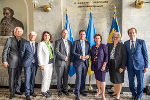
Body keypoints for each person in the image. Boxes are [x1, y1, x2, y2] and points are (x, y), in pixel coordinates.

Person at [2, 27, 26, 99]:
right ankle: (12, 92)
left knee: (19, 77)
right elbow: (5, 51)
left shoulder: (24, 41)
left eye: (20, 31)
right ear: (15, 32)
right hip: (11, 62)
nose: (19, 33)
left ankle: (17, 90)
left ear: (22, 33)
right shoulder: (10, 39)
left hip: (20, 62)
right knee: (12, 78)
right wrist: (4, 60)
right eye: (17, 31)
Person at [124, 28, 148, 100]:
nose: (132, 34)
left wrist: (146, 66)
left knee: (140, 82)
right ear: (128, 34)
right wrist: (125, 65)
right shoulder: (126, 43)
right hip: (130, 66)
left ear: (136, 33)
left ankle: (139, 96)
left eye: (133, 32)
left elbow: (145, 55)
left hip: (140, 66)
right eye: (130, 33)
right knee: (131, 82)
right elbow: (126, 55)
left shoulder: (141, 42)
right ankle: (133, 94)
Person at [107, 32, 126, 100]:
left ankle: (118, 94)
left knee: (119, 79)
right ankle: (115, 91)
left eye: (117, 37)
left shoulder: (122, 45)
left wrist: (122, 67)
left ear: (119, 38)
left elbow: (124, 57)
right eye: (114, 37)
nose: (115, 38)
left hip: (119, 65)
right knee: (113, 79)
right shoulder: (110, 45)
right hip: (111, 64)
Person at [72, 30, 90, 100]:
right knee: (78, 78)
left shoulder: (87, 43)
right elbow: (73, 52)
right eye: (81, 34)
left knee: (83, 77)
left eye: (83, 34)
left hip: (85, 63)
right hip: (78, 63)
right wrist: (80, 56)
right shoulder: (75, 42)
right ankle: (77, 93)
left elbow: (89, 52)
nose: (82, 35)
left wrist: (88, 55)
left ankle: (82, 90)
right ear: (79, 35)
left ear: (85, 35)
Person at [20, 31, 38, 100]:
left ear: (35, 37)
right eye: (31, 35)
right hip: (27, 64)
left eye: (34, 35)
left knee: (33, 78)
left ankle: (31, 91)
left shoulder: (37, 44)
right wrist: (24, 62)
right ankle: (27, 93)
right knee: (27, 78)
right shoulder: (25, 44)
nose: (32, 37)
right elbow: (21, 53)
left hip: (35, 64)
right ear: (29, 36)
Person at [54, 29, 73, 96]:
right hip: (60, 62)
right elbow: (56, 51)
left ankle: (65, 89)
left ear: (68, 34)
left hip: (67, 63)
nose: (65, 34)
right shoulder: (58, 41)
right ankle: (59, 90)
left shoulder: (70, 42)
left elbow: (71, 53)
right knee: (59, 77)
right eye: (64, 33)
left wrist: (71, 61)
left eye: (66, 33)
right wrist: (64, 57)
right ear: (61, 34)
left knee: (65, 77)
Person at [91, 34, 108, 100]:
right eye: (96, 38)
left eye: (98, 38)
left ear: (100, 39)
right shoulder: (93, 47)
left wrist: (104, 65)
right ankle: (99, 91)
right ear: (94, 39)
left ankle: (103, 95)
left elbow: (106, 56)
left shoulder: (103, 46)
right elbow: (91, 56)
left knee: (102, 80)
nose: (97, 39)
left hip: (102, 65)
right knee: (97, 79)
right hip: (95, 65)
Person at [37, 31, 54, 98]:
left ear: (50, 37)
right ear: (43, 37)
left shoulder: (50, 44)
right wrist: (41, 64)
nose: (47, 37)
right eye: (45, 35)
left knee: (49, 78)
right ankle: (43, 91)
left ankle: (47, 90)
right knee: (45, 78)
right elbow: (39, 55)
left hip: (51, 63)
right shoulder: (41, 44)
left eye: (48, 35)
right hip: (44, 64)